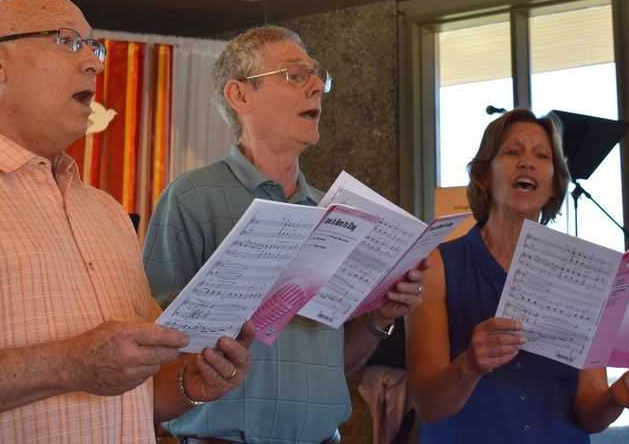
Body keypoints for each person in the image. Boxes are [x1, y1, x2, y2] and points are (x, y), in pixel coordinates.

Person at [0, 0, 253, 443]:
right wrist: (69, 364)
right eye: (68, 41)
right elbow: (85, 368)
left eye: (95, 48)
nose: (94, 64)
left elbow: (139, 392)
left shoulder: (108, 213)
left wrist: (190, 384)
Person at [143, 25, 425, 444]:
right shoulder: (192, 198)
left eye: (318, 76)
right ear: (240, 96)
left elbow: (332, 363)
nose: (316, 88)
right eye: (296, 75)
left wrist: (380, 317)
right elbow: (154, 348)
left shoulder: (333, 214)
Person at [406, 107, 629, 443]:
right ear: (484, 175)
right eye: (512, 151)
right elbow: (428, 406)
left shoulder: (581, 274)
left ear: (555, 186)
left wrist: (618, 396)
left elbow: (589, 413)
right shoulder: (437, 265)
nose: (527, 162)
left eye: (542, 156)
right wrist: (468, 365)